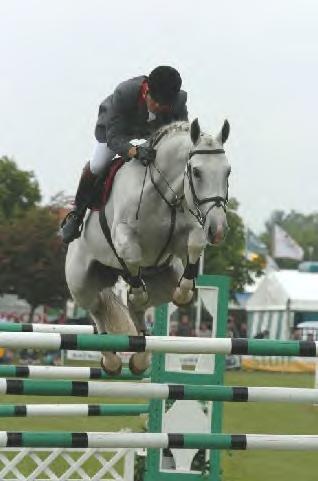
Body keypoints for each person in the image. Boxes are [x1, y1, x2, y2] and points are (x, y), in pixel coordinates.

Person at [61, 66, 188, 244]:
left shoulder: (177, 102)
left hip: (151, 134)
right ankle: (76, 215)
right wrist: (134, 151)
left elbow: (180, 136)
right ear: (146, 92)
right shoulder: (125, 93)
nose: (159, 109)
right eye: (156, 103)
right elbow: (114, 138)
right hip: (117, 131)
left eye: (164, 106)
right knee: (97, 164)